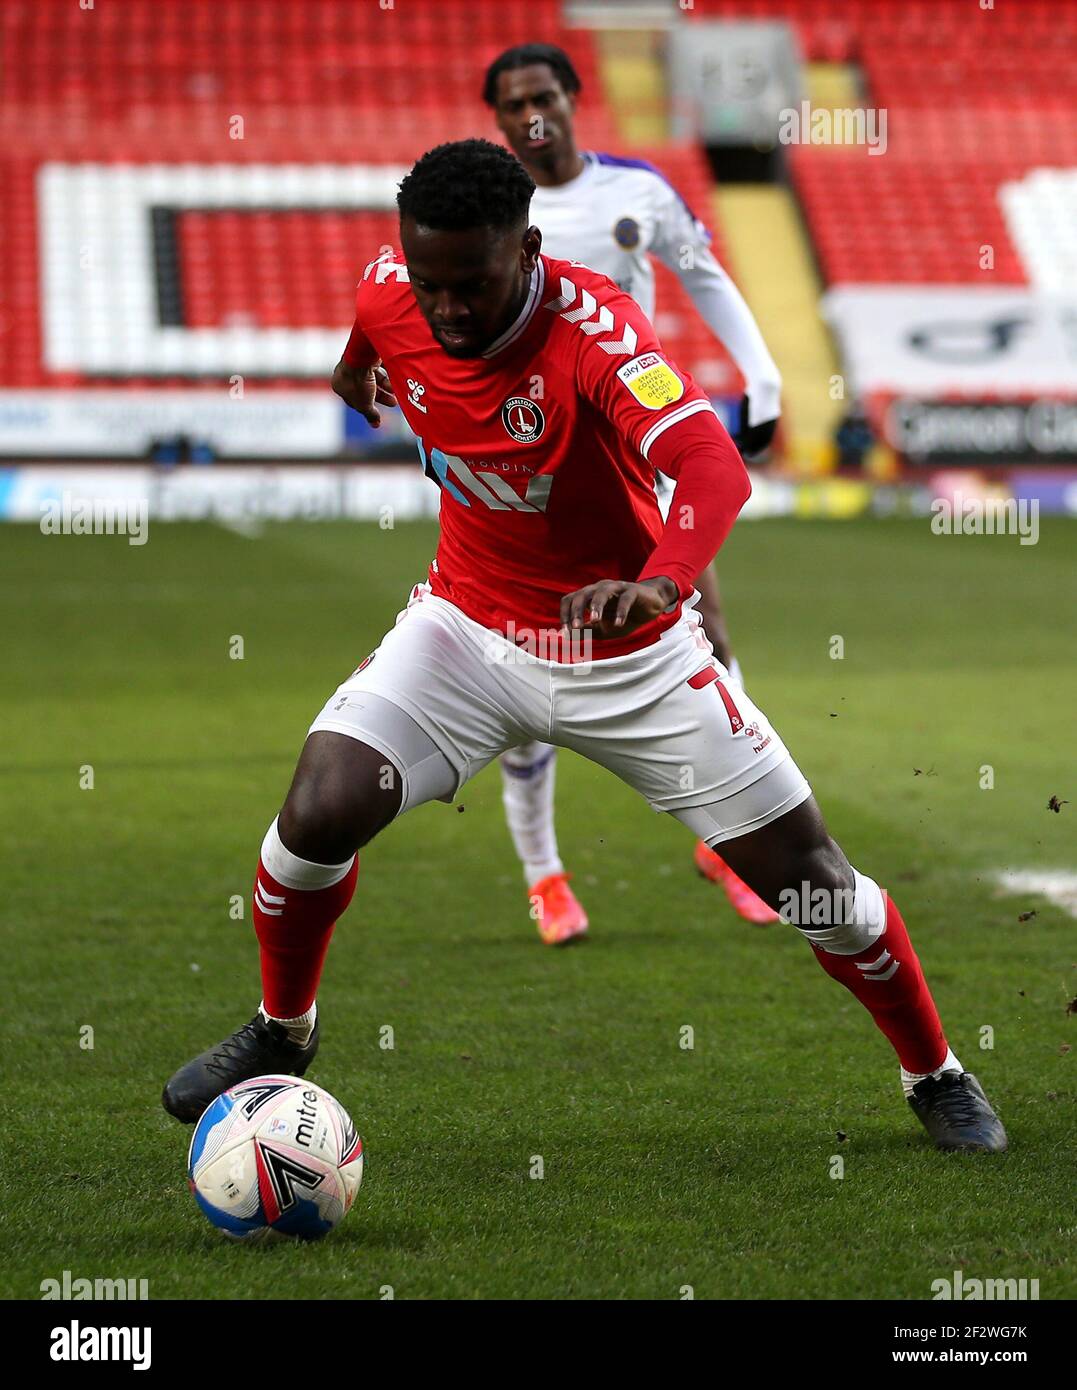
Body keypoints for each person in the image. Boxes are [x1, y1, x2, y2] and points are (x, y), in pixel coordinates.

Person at [162, 140, 1006, 1154]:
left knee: (817, 887)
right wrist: (358, 369)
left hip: (633, 658)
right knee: (314, 814)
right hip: (467, 631)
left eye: (470, 286)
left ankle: (936, 1072)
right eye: (429, 285)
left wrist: (660, 579)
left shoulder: (595, 332)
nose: (448, 310)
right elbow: (375, 329)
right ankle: (282, 1028)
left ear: (525, 248)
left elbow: (711, 467)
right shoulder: (397, 290)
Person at [484, 43, 784, 937]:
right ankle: (544, 876)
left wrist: (761, 380)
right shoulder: (494, 208)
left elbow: (705, 278)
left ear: (573, 100)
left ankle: (727, 843)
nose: (532, 117)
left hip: (635, 449)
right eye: (513, 107)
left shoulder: (638, 193)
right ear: (498, 122)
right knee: (529, 672)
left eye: (544, 97)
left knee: (708, 631)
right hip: (522, 465)